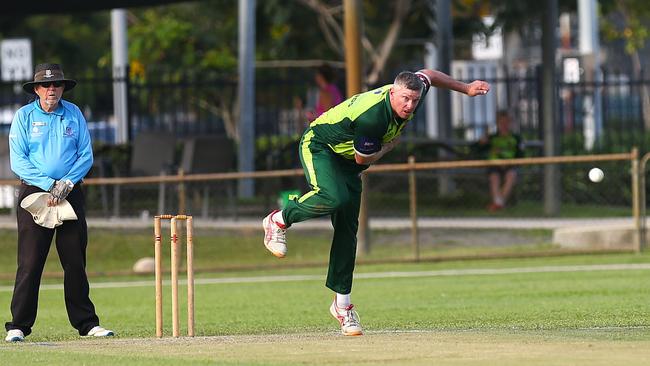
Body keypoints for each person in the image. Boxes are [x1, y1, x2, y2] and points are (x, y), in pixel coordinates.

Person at [262, 69, 490, 336]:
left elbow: (429, 75)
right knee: (334, 197)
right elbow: (363, 159)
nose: (410, 105)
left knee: (348, 231)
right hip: (321, 147)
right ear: (392, 92)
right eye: (405, 98)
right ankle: (278, 219)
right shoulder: (373, 119)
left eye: (415, 100)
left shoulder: (415, 89)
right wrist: (387, 148)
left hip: (348, 160)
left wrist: (466, 88)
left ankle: (342, 306)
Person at [4, 63, 114, 342]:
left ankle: (87, 323)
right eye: (46, 85)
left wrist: (66, 182)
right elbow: (19, 161)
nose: (51, 90)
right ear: (37, 89)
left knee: (75, 260)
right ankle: (18, 325)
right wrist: (49, 184)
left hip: (70, 191)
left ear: (63, 88)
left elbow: (85, 155)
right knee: (30, 262)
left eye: (56, 85)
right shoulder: (24, 116)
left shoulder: (74, 113)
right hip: (35, 193)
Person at [477, 110, 524, 211]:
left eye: (507, 122)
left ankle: (497, 204)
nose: (504, 125)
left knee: (511, 176)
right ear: (498, 124)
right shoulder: (492, 137)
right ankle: (500, 204)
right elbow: (476, 149)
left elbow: (521, 154)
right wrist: (481, 143)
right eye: (502, 123)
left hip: (510, 165)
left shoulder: (515, 138)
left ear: (510, 123)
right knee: (494, 177)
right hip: (494, 165)